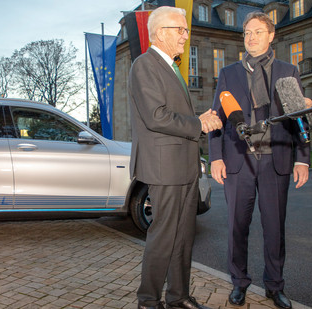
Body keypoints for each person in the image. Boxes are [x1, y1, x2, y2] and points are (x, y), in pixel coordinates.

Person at [209, 12, 310, 309]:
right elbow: (218, 117)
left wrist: (302, 160)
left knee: (275, 229)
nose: (250, 38)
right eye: (246, 33)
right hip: (239, 161)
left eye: (257, 32)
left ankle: (274, 286)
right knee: (237, 227)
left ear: (271, 36)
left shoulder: (288, 71)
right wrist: (215, 157)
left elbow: (298, 120)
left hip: (274, 160)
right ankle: (239, 283)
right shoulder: (228, 73)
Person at [128, 6, 222, 309]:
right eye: (179, 29)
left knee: (183, 236)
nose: (185, 35)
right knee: (164, 236)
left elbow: (173, 115)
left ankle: (178, 297)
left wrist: (198, 118)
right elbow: (156, 117)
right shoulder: (145, 65)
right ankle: (148, 301)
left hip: (183, 166)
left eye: (185, 29)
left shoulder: (170, 66)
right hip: (164, 168)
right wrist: (199, 124)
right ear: (160, 33)